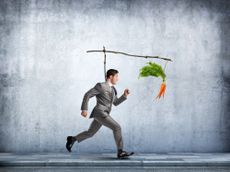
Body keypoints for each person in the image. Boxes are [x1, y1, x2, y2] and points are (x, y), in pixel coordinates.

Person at [66, 69, 130, 158]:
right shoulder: (101, 86)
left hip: (103, 114)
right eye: (116, 76)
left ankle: (72, 139)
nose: (117, 79)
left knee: (91, 133)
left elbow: (115, 102)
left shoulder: (113, 89)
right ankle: (120, 151)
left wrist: (124, 96)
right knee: (117, 127)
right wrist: (84, 109)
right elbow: (87, 94)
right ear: (110, 77)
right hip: (100, 112)